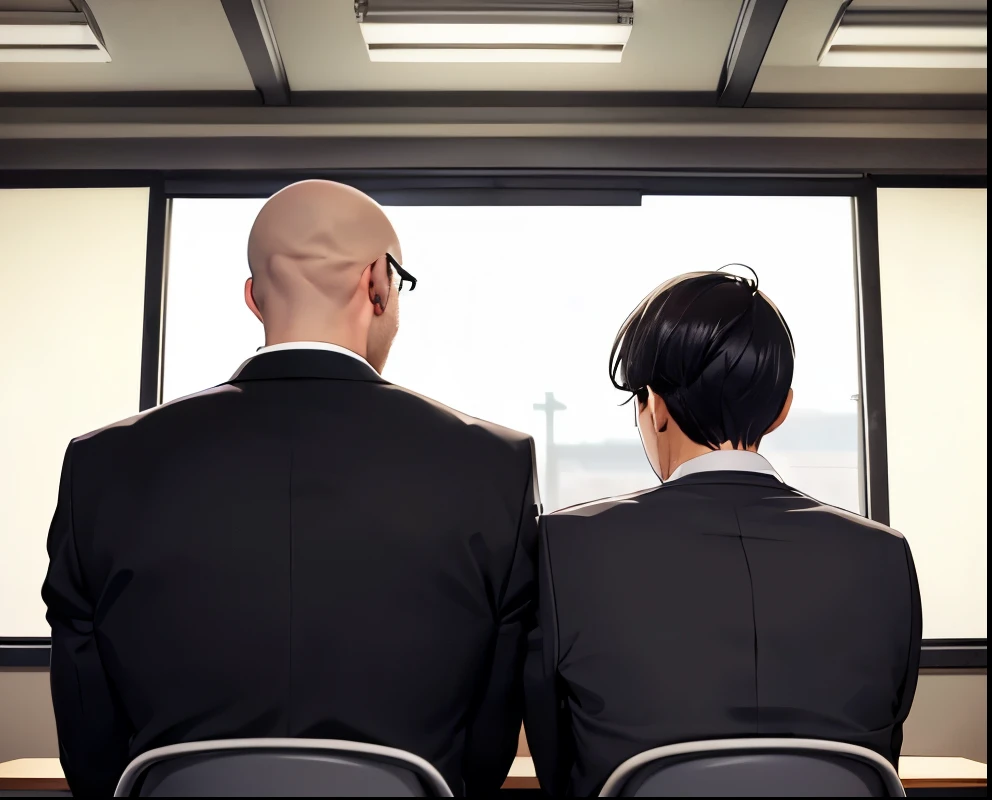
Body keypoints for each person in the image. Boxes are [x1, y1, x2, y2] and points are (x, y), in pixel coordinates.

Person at [42, 180, 539, 797]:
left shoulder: (101, 463)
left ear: (253, 298)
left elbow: (89, 740)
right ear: (379, 283)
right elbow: (488, 743)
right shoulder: (494, 463)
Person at [523, 269, 922, 796]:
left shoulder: (563, 546)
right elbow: (882, 753)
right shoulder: (884, 555)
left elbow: (559, 766)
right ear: (782, 410)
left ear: (655, 406)